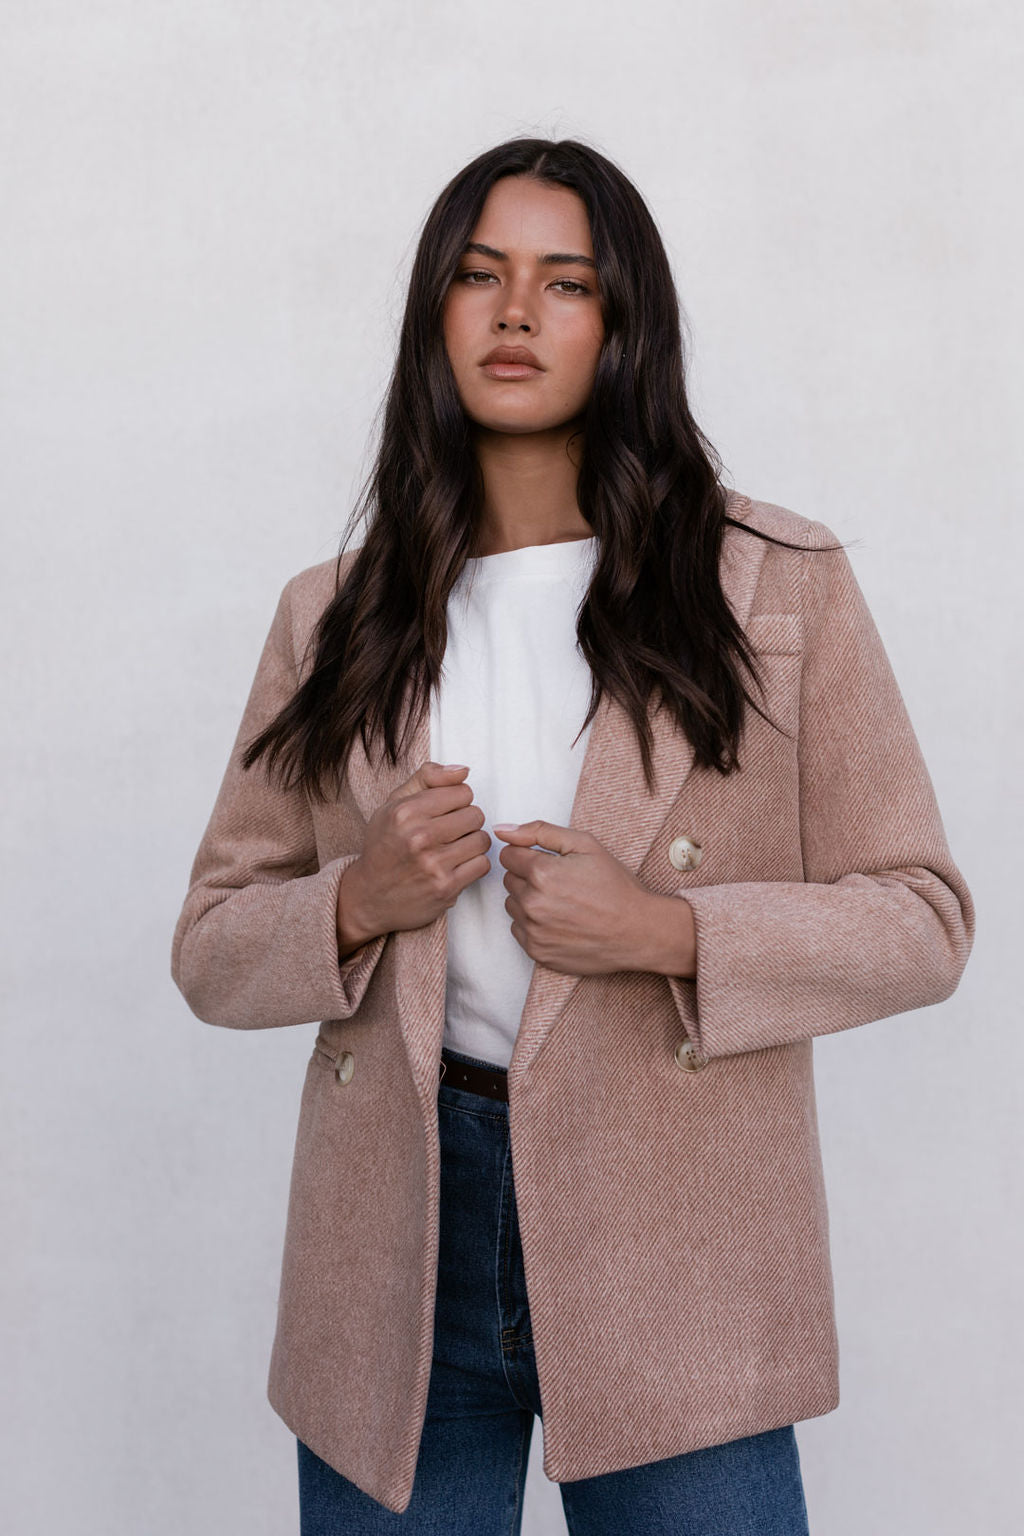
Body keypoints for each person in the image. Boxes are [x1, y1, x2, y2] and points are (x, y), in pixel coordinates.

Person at [170, 137, 975, 1535]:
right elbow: (210, 945)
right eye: (479, 275)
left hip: (678, 1225)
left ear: (623, 321)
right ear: (435, 310)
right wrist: (355, 900)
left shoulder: (772, 587)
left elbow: (923, 916)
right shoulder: (335, 613)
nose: (515, 313)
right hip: (400, 1235)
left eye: (566, 282)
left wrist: (665, 931)